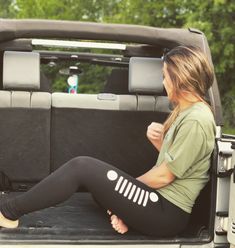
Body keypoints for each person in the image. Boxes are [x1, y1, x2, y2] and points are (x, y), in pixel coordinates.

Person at [0, 45, 216, 237]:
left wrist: (123, 190)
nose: (163, 82)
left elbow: (165, 176)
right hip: (156, 201)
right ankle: (124, 213)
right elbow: (177, 164)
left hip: (165, 212)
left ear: (179, 78)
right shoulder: (185, 112)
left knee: (81, 167)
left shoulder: (196, 119)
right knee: (98, 189)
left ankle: (8, 211)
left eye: (165, 76)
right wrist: (160, 143)